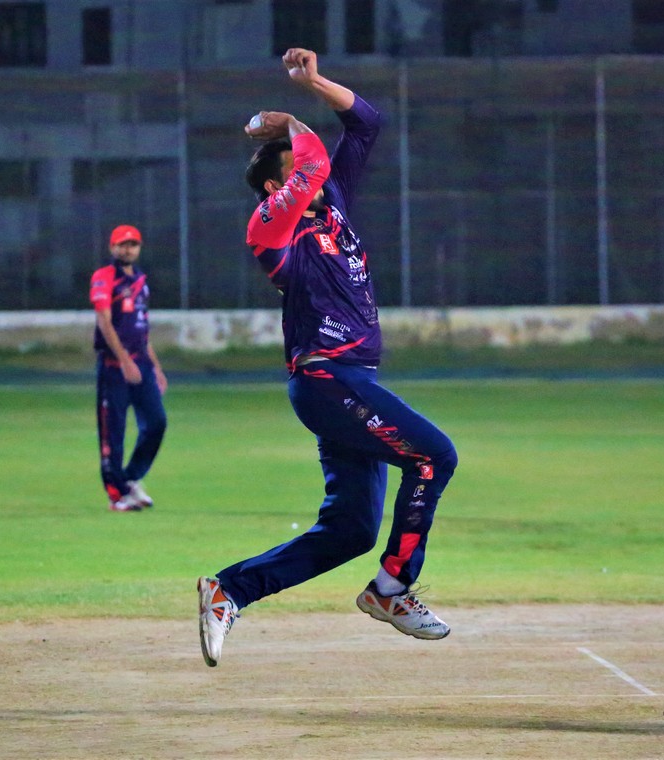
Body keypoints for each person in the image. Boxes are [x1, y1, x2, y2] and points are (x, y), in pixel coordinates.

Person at [197, 49, 459, 667]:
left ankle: (228, 590)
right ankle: (391, 589)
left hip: (352, 382)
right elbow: (313, 158)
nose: (313, 176)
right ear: (276, 187)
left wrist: (313, 83)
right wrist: (292, 122)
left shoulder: (332, 201)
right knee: (433, 455)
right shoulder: (271, 228)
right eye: (296, 171)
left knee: (351, 530)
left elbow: (367, 122)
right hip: (325, 378)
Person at [89, 224, 168, 512]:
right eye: (122, 244)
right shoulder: (104, 277)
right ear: (112, 247)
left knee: (156, 422)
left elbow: (141, 329)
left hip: (141, 364)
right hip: (115, 366)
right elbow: (105, 321)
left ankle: (131, 478)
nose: (128, 249)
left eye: (133, 244)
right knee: (113, 432)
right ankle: (116, 494)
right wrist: (124, 361)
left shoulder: (141, 281)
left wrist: (155, 367)